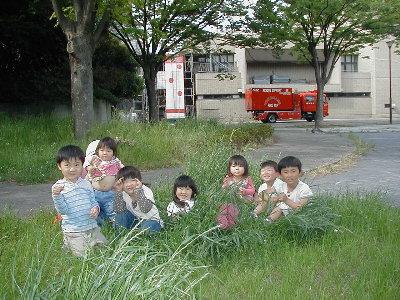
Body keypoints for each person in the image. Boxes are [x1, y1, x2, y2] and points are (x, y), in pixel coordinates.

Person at [51, 145, 107, 257]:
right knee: (83, 255)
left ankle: (72, 244)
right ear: (59, 166)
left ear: (82, 165)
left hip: (91, 226)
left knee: (105, 247)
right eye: (67, 165)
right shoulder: (59, 187)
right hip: (74, 230)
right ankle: (68, 242)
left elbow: (93, 201)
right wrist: (56, 196)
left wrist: (96, 208)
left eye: (77, 165)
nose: (72, 169)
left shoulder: (86, 184)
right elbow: (63, 211)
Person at [85, 137, 124, 225]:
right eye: (102, 150)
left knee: (112, 212)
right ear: (97, 151)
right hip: (95, 194)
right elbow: (88, 173)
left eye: (108, 151)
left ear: (114, 152)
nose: (105, 153)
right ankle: (99, 225)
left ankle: (117, 227)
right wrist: (89, 170)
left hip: (110, 194)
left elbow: (124, 172)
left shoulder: (116, 162)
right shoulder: (96, 162)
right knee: (94, 212)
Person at [113, 166, 163, 233]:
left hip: (151, 220)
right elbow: (119, 210)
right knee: (120, 217)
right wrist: (118, 192)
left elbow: (145, 209)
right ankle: (122, 233)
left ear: (139, 181)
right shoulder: (123, 193)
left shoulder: (146, 191)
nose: (129, 184)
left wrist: (138, 191)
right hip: (136, 220)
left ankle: (138, 232)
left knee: (148, 227)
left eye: (132, 180)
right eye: (125, 182)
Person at [265, 156, 313, 222]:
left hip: (301, 216)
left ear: (300, 172)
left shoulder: (304, 189)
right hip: (285, 212)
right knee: (279, 207)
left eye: (293, 171)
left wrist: (286, 200)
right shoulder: (280, 185)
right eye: (285, 172)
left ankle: (269, 221)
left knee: (281, 207)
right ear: (280, 175)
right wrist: (274, 199)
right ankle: (268, 220)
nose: (289, 175)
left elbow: (301, 209)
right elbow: (268, 193)